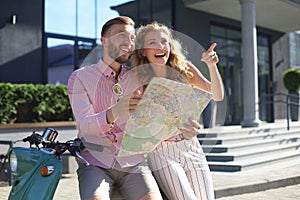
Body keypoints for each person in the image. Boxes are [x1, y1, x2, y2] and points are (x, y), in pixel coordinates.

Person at [67, 16, 163, 200]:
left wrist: (178, 125)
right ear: (104, 41)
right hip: (95, 162)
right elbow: (85, 126)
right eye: (121, 35)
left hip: (133, 162)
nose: (128, 42)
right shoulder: (80, 78)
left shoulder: (137, 77)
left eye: (132, 38)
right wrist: (115, 112)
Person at [128, 22, 224, 200]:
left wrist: (212, 66)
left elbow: (217, 95)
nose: (160, 46)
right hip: (161, 151)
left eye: (164, 41)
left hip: (191, 147)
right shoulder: (136, 77)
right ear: (142, 51)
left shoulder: (184, 68)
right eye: (152, 43)